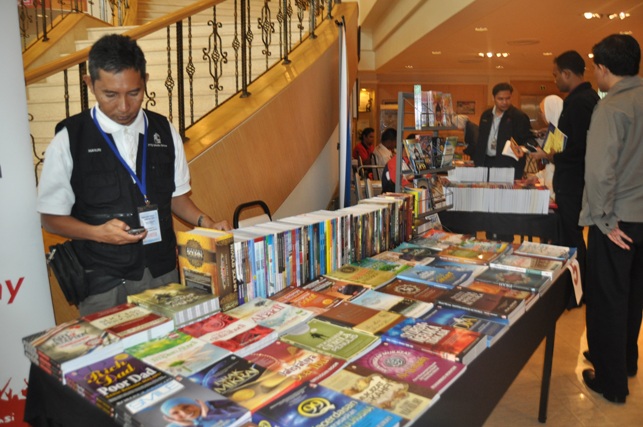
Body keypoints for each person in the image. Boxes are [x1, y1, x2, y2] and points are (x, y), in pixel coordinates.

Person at [37, 34, 230, 316]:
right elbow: (50, 219)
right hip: (103, 283)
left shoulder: (164, 131)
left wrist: (206, 222)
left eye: (134, 93)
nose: (124, 107)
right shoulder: (69, 139)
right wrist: (98, 233)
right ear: (90, 84)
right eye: (110, 95)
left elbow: (176, 197)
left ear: (145, 81)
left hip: (163, 273)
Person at [579, 34, 643, 404]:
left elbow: (600, 172)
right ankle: (626, 361)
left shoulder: (610, 108)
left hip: (616, 220)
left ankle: (611, 381)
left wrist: (603, 220)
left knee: (608, 300)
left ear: (603, 69)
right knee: (633, 297)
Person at [532, 51, 600, 295]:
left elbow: (580, 148)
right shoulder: (581, 99)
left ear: (567, 73)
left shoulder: (580, 102)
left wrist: (553, 156)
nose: (555, 80)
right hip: (572, 180)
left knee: (572, 238)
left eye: (556, 74)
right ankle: (575, 289)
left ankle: (577, 291)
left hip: (573, 182)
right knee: (570, 236)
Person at [472, 82, 536, 180]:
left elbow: (530, 139)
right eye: (500, 99)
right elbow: (481, 140)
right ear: (493, 98)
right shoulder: (486, 115)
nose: (504, 102)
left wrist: (523, 148)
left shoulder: (519, 116)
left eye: (508, 98)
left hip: (508, 166)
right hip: (485, 164)